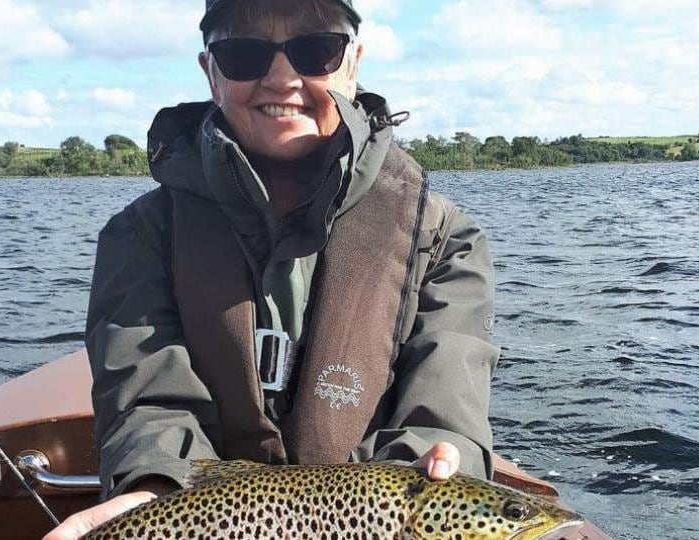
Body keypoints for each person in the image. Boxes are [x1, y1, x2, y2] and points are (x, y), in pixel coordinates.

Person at [44, 0, 499, 538]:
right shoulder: (139, 235)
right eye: (243, 54)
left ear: (352, 62)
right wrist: (155, 492)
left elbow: (444, 415)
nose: (281, 78)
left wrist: (439, 461)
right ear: (210, 72)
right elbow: (146, 403)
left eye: (315, 49)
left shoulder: (446, 238)